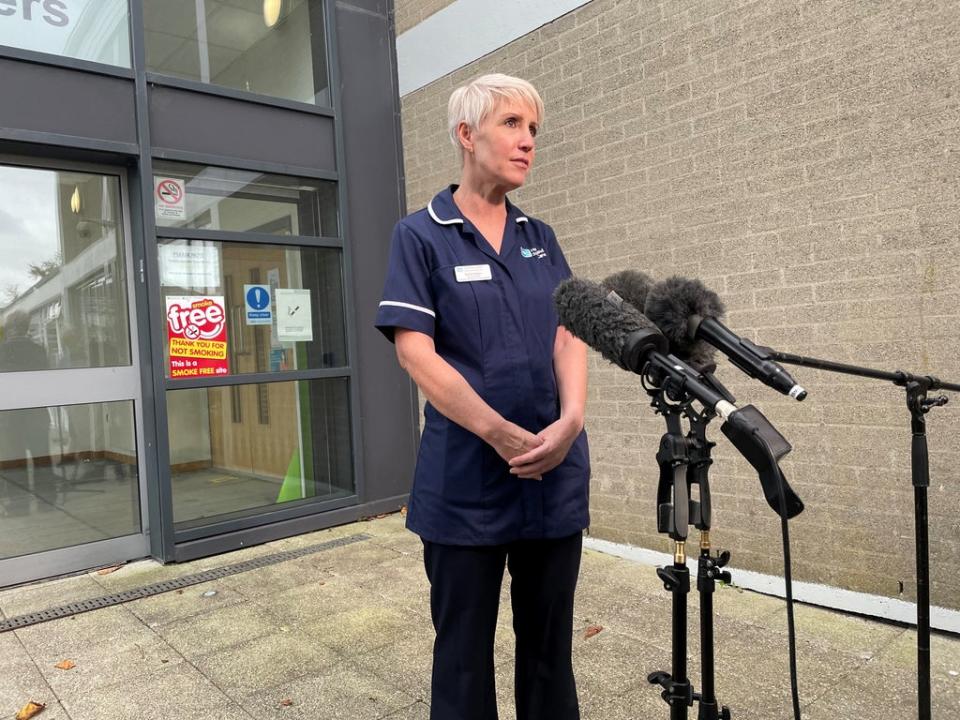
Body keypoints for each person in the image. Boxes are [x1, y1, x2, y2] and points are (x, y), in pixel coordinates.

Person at [375, 74, 590, 720]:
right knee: (464, 657)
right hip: (465, 483)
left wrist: (573, 419)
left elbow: (569, 332)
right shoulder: (421, 236)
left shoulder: (540, 238)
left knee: (550, 652)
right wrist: (497, 432)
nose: (528, 142)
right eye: (513, 125)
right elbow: (415, 351)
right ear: (467, 136)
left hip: (552, 480)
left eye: (534, 130)